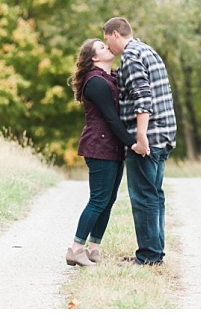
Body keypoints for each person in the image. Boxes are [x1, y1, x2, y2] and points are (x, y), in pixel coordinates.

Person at [65, 38, 147, 267]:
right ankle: (75, 248)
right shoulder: (96, 83)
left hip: (111, 148)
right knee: (98, 199)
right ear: (94, 58)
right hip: (99, 147)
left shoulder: (110, 78)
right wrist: (132, 142)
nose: (107, 47)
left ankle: (93, 249)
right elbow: (111, 118)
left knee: (108, 200)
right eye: (101, 47)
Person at [102, 17, 177, 266]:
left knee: (143, 196)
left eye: (106, 41)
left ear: (115, 34)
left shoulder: (131, 57)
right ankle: (154, 251)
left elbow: (143, 96)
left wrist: (141, 136)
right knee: (154, 195)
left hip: (148, 138)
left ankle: (148, 256)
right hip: (165, 134)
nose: (108, 47)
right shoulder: (147, 50)